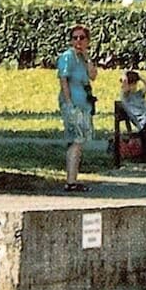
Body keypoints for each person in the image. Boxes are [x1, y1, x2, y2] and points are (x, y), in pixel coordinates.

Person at [57, 23, 98, 192]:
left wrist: (87, 57)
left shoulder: (83, 59)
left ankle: (73, 178)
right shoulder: (67, 57)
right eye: (75, 38)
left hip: (84, 103)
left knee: (81, 142)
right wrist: (68, 103)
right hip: (73, 103)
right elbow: (63, 79)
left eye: (82, 38)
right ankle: (71, 180)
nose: (78, 41)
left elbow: (93, 76)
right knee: (76, 140)